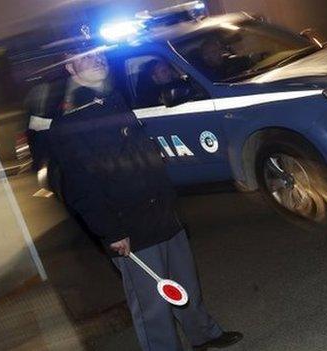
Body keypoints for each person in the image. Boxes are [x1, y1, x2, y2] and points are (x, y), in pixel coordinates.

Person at [45, 42, 243, 351]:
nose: (96, 60)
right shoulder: (69, 123)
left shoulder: (113, 101)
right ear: (70, 68)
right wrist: (111, 231)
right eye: (85, 58)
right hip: (129, 224)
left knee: (185, 284)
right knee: (152, 306)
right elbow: (82, 187)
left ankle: (203, 334)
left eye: (98, 54)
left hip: (162, 211)